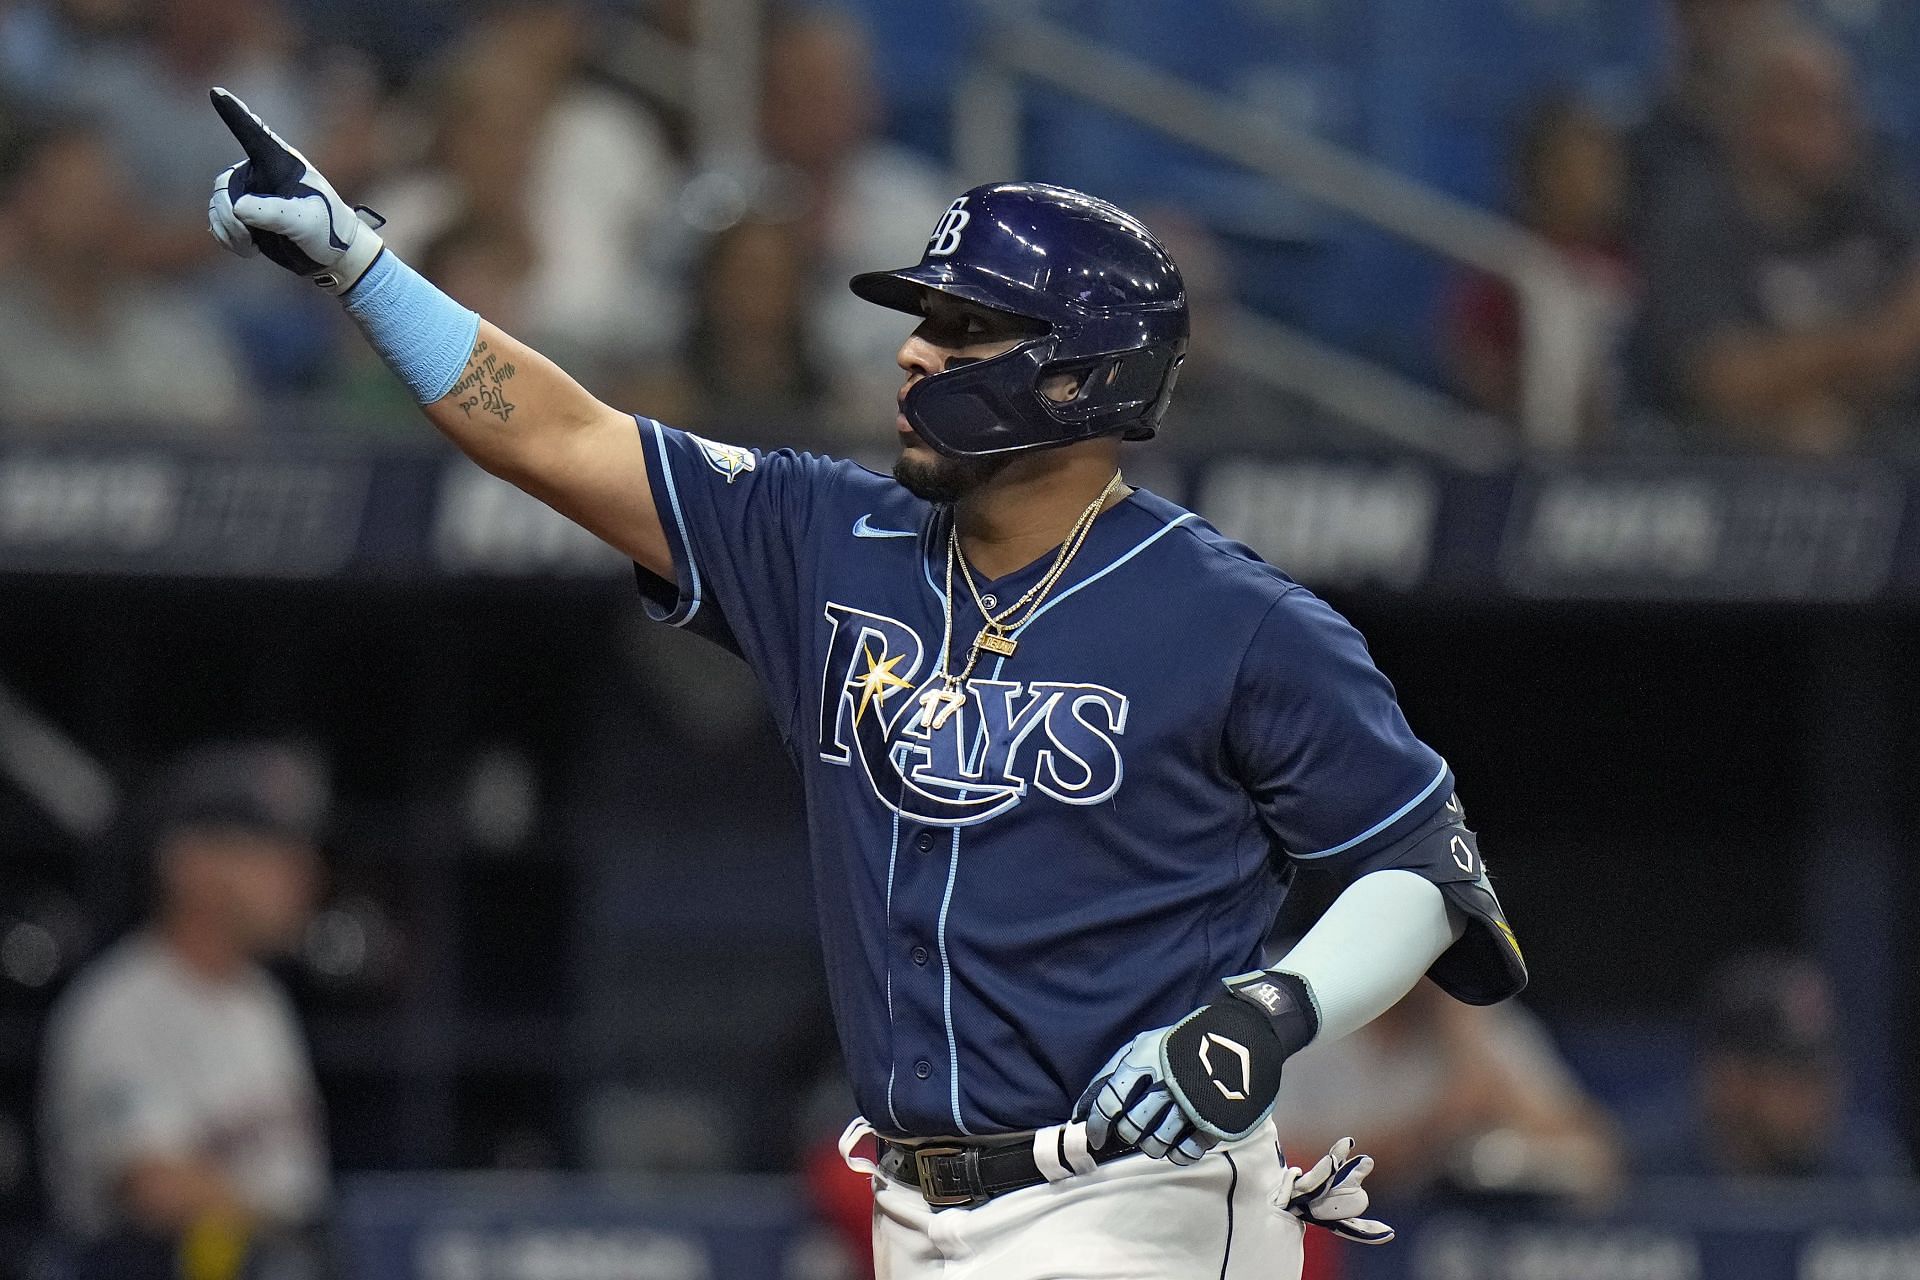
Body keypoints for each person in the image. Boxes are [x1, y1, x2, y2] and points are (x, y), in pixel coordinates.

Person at [204, 90, 1529, 1278]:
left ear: (1076, 375)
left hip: (1136, 1204)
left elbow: (1420, 864)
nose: (910, 354)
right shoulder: (825, 539)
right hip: (913, 1202)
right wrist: (362, 267)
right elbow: (562, 435)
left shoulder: (1236, 619)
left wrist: (1267, 1010)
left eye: (960, 330)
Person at [39, 742, 329, 1280]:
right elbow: (154, 1187)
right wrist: (304, 1237)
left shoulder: (261, 1002)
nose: (298, 873)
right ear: (187, 864)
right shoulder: (120, 1008)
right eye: (263, 851)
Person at [1625, 22, 1920, 454]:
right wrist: (1869, 347)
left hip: (1892, 446)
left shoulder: (1871, 199)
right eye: (1813, 107)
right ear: (1752, 119)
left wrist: (1810, 364)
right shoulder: (1693, 220)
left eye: (1842, 105)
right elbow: (1721, 379)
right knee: (1809, 433)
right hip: (1735, 468)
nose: (1840, 125)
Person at [0, 117, 246, 437]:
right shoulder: (7, 330)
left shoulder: (174, 329)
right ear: (26, 202)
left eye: (101, 193)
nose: (90, 212)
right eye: (72, 195)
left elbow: (228, 445)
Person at [1273, 980, 1622, 1202]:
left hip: (1435, 1243)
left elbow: (1595, 1155)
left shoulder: (1470, 1018)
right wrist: (1434, 1128)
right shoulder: (1296, 1001)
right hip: (1311, 1247)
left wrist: (1473, 1050)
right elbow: (1273, 1169)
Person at [1444, 96, 1634, 439]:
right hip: (1524, 441)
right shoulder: (1504, 261)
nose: (1593, 184)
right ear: (1541, 174)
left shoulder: (1630, 257)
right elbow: (1469, 351)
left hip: (1624, 444)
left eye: (1603, 168)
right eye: (1577, 168)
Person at [1633, 952, 1910, 1179]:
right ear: (1731, 1079)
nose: (1820, 1095)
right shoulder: (1642, 1173)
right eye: (1796, 1077)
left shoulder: (1867, 1174)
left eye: (1826, 1073)